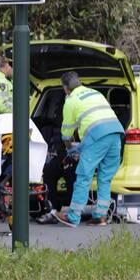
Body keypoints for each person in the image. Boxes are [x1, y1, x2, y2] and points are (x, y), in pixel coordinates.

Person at [54, 71, 125, 227]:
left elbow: (66, 133)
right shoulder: (95, 93)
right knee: (105, 178)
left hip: (98, 135)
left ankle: (73, 217)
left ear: (65, 88)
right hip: (116, 133)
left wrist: (70, 150)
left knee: (84, 176)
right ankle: (100, 216)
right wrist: (81, 147)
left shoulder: (71, 100)